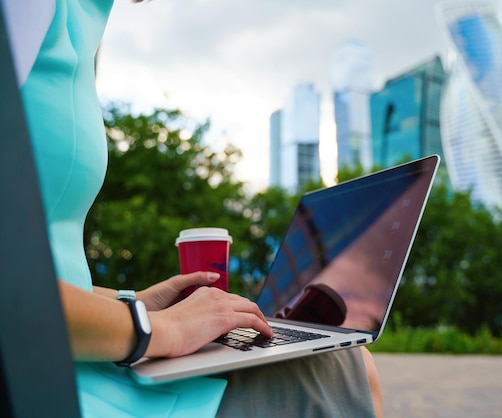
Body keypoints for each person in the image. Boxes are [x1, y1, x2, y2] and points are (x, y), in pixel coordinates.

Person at [2, 0, 383, 416]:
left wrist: (137, 302)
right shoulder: (25, 12)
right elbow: (16, 295)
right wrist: (158, 328)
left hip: (69, 352)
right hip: (43, 382)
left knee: (347, 360)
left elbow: (34, 271)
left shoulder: (81, 16)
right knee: (343, 368)